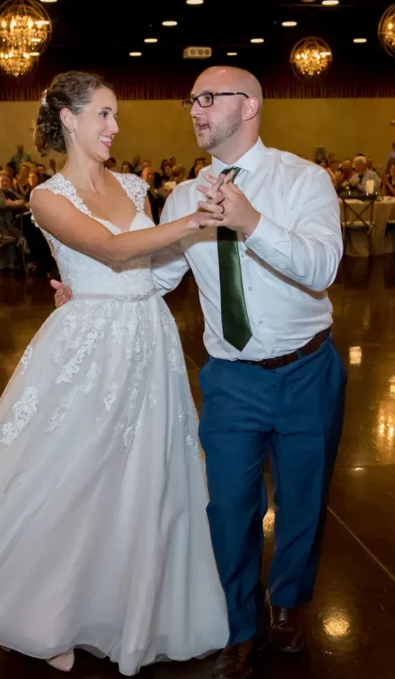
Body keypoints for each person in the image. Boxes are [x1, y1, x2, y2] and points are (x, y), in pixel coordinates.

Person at [0, 71, 230, 675]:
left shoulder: (132, 185)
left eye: (116, 115)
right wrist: (203, 218)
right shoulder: (47, 196)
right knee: (72, 473)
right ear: (69, 120)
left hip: (149, 337)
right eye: (103, 114)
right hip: (90, 348)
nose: (115, 127)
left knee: (142, 476)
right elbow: (116, 250)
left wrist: (170, 252)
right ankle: (43, 613)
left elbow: (148, 265)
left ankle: (126, 605)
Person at [53, 66, 346, 679]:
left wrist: (251, 223)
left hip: (306, 371)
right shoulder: (186, 197)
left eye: (209, 99)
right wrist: (93, 300)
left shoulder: (303, 180)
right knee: (228, 507)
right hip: (231, 378)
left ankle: (289, 603)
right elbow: (158, 277)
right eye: (192, 99)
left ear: (251, 107)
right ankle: (238, 626)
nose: (196, 110)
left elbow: (321, 268)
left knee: (302, 500)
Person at [0, 172, 28, 270]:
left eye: (7, 181)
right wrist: (12, 203)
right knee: (30, 230)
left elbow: (23, 200)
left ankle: (29, 261)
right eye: (2, 181)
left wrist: (18, 203)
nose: (4, 183)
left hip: (11, 224)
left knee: (34, 228)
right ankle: (29, 261)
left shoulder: (9, 192)